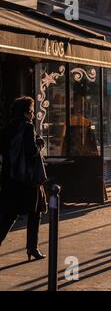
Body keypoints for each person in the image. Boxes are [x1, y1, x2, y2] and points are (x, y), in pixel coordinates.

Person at [0, 97, 48, 260]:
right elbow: (31, 152)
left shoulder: (7, 127)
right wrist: (39, 144)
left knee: (8, 215)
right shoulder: (27, 127)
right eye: (32, 111)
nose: (33, 115)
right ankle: (32, 248)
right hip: (28, 179)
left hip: (10, 178)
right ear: (27, 112)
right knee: (35, 213)